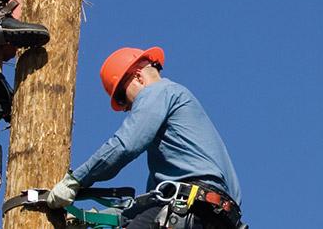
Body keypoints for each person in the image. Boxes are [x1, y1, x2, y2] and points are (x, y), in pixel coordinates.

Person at [45, 47, 244, 229]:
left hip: (191, 209)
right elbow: (154, 202)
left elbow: (125, 145)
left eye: (122, 97)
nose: (126, 108)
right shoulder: (191, 147)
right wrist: (98, 217)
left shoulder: (158, 92)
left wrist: (75, 181)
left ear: (138, 77)